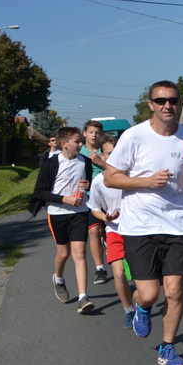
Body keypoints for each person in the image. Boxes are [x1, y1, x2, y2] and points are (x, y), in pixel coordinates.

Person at [104, 81, 183, 365]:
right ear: (150, 104)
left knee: (175, 290)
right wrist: (146, 181)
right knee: (149, 293)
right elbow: (110, 177)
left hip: (179, 224)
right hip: (140, 225)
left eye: (173, 100)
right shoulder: (134, 136)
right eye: (160, 100)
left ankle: (167, 347)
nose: (167, 105)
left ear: (179, 103)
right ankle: (141, 307)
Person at [30, 126, 94, 314]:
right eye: (77, 141)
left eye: (80, 141)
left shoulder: (85, 161)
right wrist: (64, 199)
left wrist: (86, 186)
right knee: (63, 254)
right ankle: (58, 278)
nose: (80, 144)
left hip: (80, 212)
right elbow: (39, 192)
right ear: (64, 144)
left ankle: (83, 298)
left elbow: (88, 183)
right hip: (57, 213)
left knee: (80, 254)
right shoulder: (51, 164)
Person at [86, 173, 136, 327]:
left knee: (141, 278)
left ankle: (142, 306)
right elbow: (94, 208)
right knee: (119, 273)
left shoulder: (134, 173)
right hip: (114, 231)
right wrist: (105, 218)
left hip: (137, 229)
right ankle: (129, 310)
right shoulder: (98, 181)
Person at [81, 120, 112, 285]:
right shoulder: (80, 151)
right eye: (91, 132)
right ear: (84, 133)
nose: (94, 136)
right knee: (94, 231)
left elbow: (118, 170)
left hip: (109, 195)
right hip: (89, 196)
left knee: (109, 230)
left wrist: (102, 163)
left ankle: (114, 252)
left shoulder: (106, 150)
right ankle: (100, 268)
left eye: (97, 133)